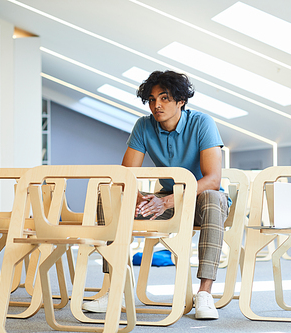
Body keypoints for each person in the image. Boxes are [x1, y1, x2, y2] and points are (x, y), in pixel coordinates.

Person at [82, 70, 229, 320]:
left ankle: (204, 293)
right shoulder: (143, 125)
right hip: (166, 199)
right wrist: (139, 197)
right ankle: (113, 288)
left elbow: (213, 180)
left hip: (201, 199)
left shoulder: (203, 123)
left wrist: (168, 201)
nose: (156, 105)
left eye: (164, 98)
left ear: (181, 100)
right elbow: (125, 175)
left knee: (213, 198)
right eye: (151, 99)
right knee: (109, 195)